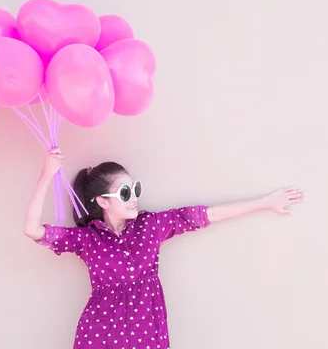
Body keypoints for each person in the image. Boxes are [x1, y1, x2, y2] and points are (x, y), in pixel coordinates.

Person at [24, 148, 305, 349]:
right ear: (102, 202)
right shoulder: (87, 240)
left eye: (135, 189)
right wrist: (47, 174)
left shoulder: (150, 226)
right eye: (125, 193)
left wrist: (264, 202)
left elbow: (204, 215)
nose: (133, 198)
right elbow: (33, 229)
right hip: (100, 337)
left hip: (147, 333)